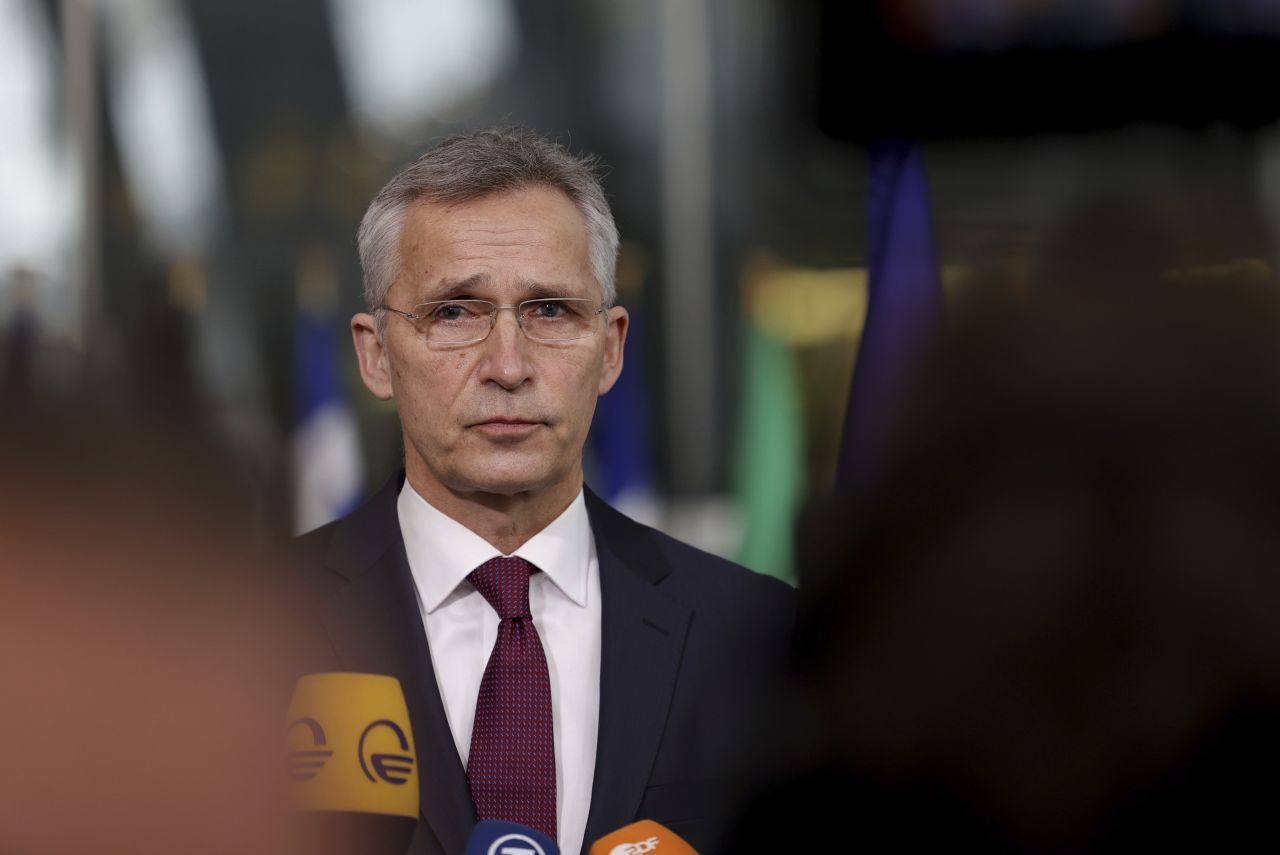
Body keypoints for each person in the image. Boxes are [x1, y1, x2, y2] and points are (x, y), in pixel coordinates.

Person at [293, 127, 795, 855]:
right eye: (455, 312)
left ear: (612, 348)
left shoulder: (757, 636)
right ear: (375, 355)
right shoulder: (248, 629)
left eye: (550, 311)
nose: (507, 365)